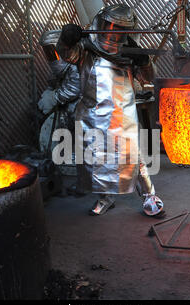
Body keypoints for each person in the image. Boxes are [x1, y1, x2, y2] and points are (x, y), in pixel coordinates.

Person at [57, 4, 164, 217]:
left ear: (127, 32)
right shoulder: (86, 49)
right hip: (92, 114)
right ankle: (105, 197)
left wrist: (144, 62)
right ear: (101, 24)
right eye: (110, 26)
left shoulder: (130, 53)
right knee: (97, 159)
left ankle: (149, 195)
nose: (113, 32)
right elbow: (65, 54)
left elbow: (149, 78)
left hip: (122, 114)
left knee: (134, 157)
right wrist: (66, 40)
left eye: (119, 29)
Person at [38, 30, 81, 153]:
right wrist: (50, 91)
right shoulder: (61, 68)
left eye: (52, 50)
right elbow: (53, 80)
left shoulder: (76, 65)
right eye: (48, 52)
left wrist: (54, 98)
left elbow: (74, 87)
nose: (51, 55)